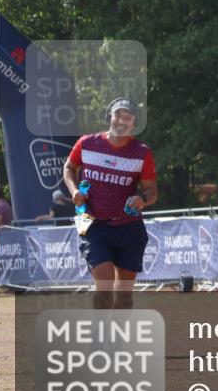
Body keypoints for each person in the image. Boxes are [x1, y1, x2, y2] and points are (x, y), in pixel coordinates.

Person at [62, 98, 157, 309]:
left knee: (124, 294)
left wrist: (142, 199)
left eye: (128, 117)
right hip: (91, 222)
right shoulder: (86, 143)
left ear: (134, 123)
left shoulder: (142, 153)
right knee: (104, 283)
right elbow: (69, 168)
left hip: (128, 226)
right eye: (118, 115)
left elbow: (152, 192)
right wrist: (74, 190)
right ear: (109, 117)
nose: (122, 121)